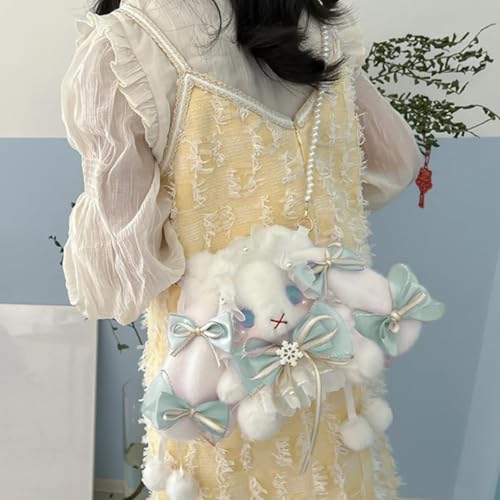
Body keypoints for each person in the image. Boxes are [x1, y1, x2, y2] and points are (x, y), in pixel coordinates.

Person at [61, 0, 422, 497]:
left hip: (213, 394)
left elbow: (117, 281)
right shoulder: (317, 29)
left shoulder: (130, 44)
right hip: (331, 378)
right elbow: (395, 166)